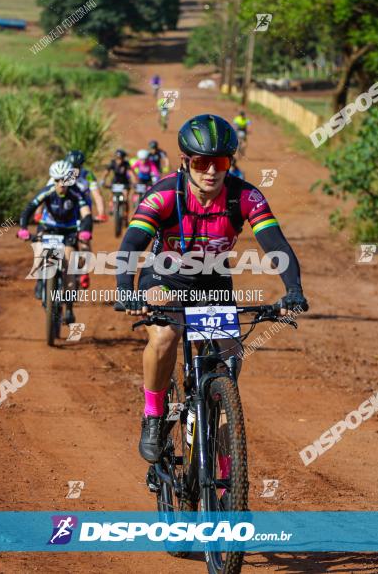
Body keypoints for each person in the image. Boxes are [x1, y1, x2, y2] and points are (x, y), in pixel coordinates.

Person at [116, 114, 308, 462]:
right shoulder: (163, 194)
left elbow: (276, 246)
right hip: (165, 276)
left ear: (229, 163)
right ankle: (155, 416)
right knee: (164, 336)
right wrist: (124, 290)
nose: (211, 171)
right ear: (186, 162)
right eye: (202, 162)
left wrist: (293, 289)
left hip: (212, 281)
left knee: (228, 363)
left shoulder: (245, 197)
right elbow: (131, 244)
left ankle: (225, 477)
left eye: (219, 162)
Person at [18, 160, 93, 324]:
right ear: (53, 179)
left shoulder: (76, 193)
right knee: (38, 252)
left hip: (69, 231)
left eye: (64, 180)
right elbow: (29, 209)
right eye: (57, 180)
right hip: (48, 228)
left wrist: (86, 230)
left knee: (69, 266)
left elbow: (86, 214)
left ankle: (70, 308)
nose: (61, 184)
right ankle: (40, 281)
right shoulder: (47, 191)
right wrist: (23, 228)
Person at [66, 150, 107, 223]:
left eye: (77, 167)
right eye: (72, 166)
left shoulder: (88, 175)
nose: (74, 170)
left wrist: (101, 213)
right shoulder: (62, 174)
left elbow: (97, 195)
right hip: (66, 206)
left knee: (86, 229)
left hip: (84, 207)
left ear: (81, 165)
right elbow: (47, 192)